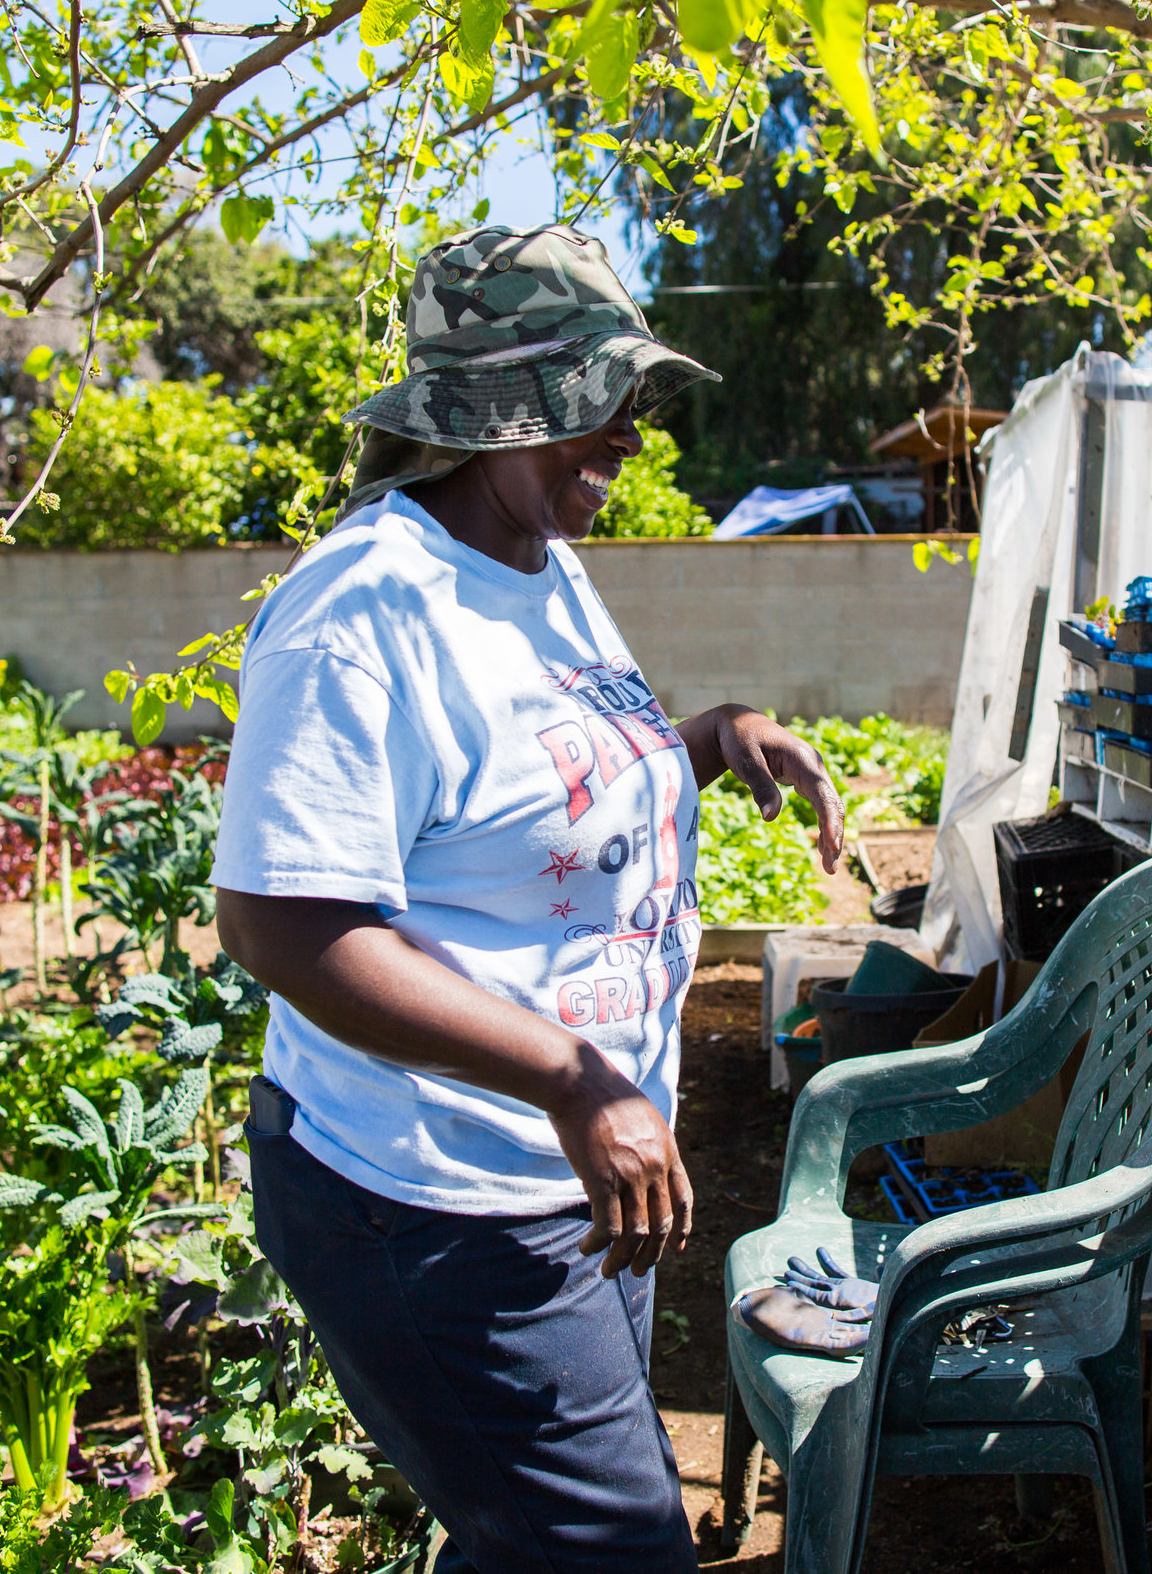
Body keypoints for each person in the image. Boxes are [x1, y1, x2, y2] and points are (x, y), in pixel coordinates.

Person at [212, 224, 845, 1574]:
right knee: (613, 1553)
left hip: (573, 1180)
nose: (628, 438)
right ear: (497, 407)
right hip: (433, 1203)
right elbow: (285, 925)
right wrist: (572, 1079)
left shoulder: (536, 560)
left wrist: (708, 735)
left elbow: (518, 805)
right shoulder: (363, 612)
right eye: (599, 405)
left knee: (526, 1544)